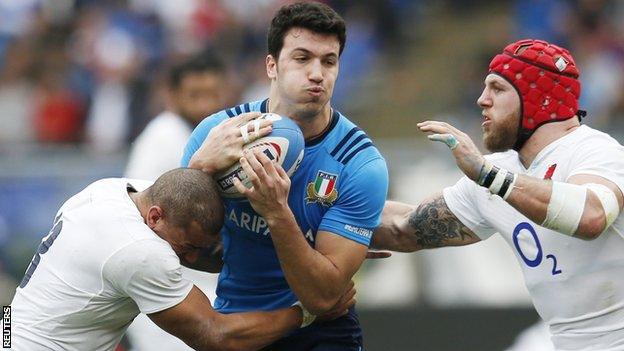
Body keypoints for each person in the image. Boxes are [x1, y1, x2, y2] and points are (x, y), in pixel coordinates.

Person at [373, 39, 624, 350]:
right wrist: (318, 220)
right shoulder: (498, 171)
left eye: (497, 88)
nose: (482, 100)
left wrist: (488, 175)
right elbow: (404, 228)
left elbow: (591, 215)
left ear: (537, 98)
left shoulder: (597, 151)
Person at [182, 2, 389, 349]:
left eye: (329, 61)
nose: (317, 74)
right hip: (237, 323)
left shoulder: (359, 163)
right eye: (302, 58)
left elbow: (325, 298)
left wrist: (277, 213)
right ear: (271, 65)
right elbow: (179, 241)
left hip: (321, 333)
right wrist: (200, 170)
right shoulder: (215, 135)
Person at [10, 168, 352, 351]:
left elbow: (198, 209)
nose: (189, 259)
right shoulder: (140, 252)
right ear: (155, 217)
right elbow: (218, 337)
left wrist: (327, 241)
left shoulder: (109, 190)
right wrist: (308, 311)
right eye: (186, 247)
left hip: (9, 330)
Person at [124, 52, 228, 351]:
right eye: (195, 94)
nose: (205, 104)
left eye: (212, 93)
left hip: (209, 281)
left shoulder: (221, 132)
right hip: (169, 286)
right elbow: (142, 220)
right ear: (172, 96)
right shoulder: (161, 136)